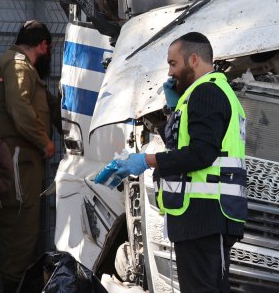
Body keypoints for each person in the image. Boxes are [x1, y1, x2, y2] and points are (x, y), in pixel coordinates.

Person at [105, 32, 247, 293]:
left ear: (193, 60)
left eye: (173, 64)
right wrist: (172, 112)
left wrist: (147, 160)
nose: (170, 73)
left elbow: (200, 154)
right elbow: (182, 147)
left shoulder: (207, 93)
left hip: (205, 216)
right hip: (204, 218)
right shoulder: (202, 93)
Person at [0, 19, 56, 293]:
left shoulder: (20, 65)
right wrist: (45, 142)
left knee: (25, 234)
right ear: (43, 45)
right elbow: (21, 111)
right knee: (20, 235)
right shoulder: (18, 65)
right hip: (20, 161)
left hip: (24, 163)